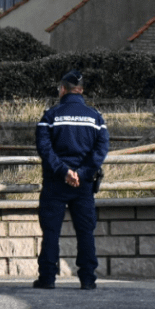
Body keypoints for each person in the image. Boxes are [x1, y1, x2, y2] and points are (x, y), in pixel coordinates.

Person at [33, 71, 110, 290]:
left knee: (51, 232)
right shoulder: (95, 117)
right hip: (84, 185)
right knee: (85, 232)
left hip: (55, 183)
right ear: (81, 91)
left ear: (62, 89)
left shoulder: (50, 115)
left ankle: (47, 278)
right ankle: (87, 279)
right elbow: (102, 147)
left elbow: (44, 148)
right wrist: (83, 172)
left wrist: (63, 171)